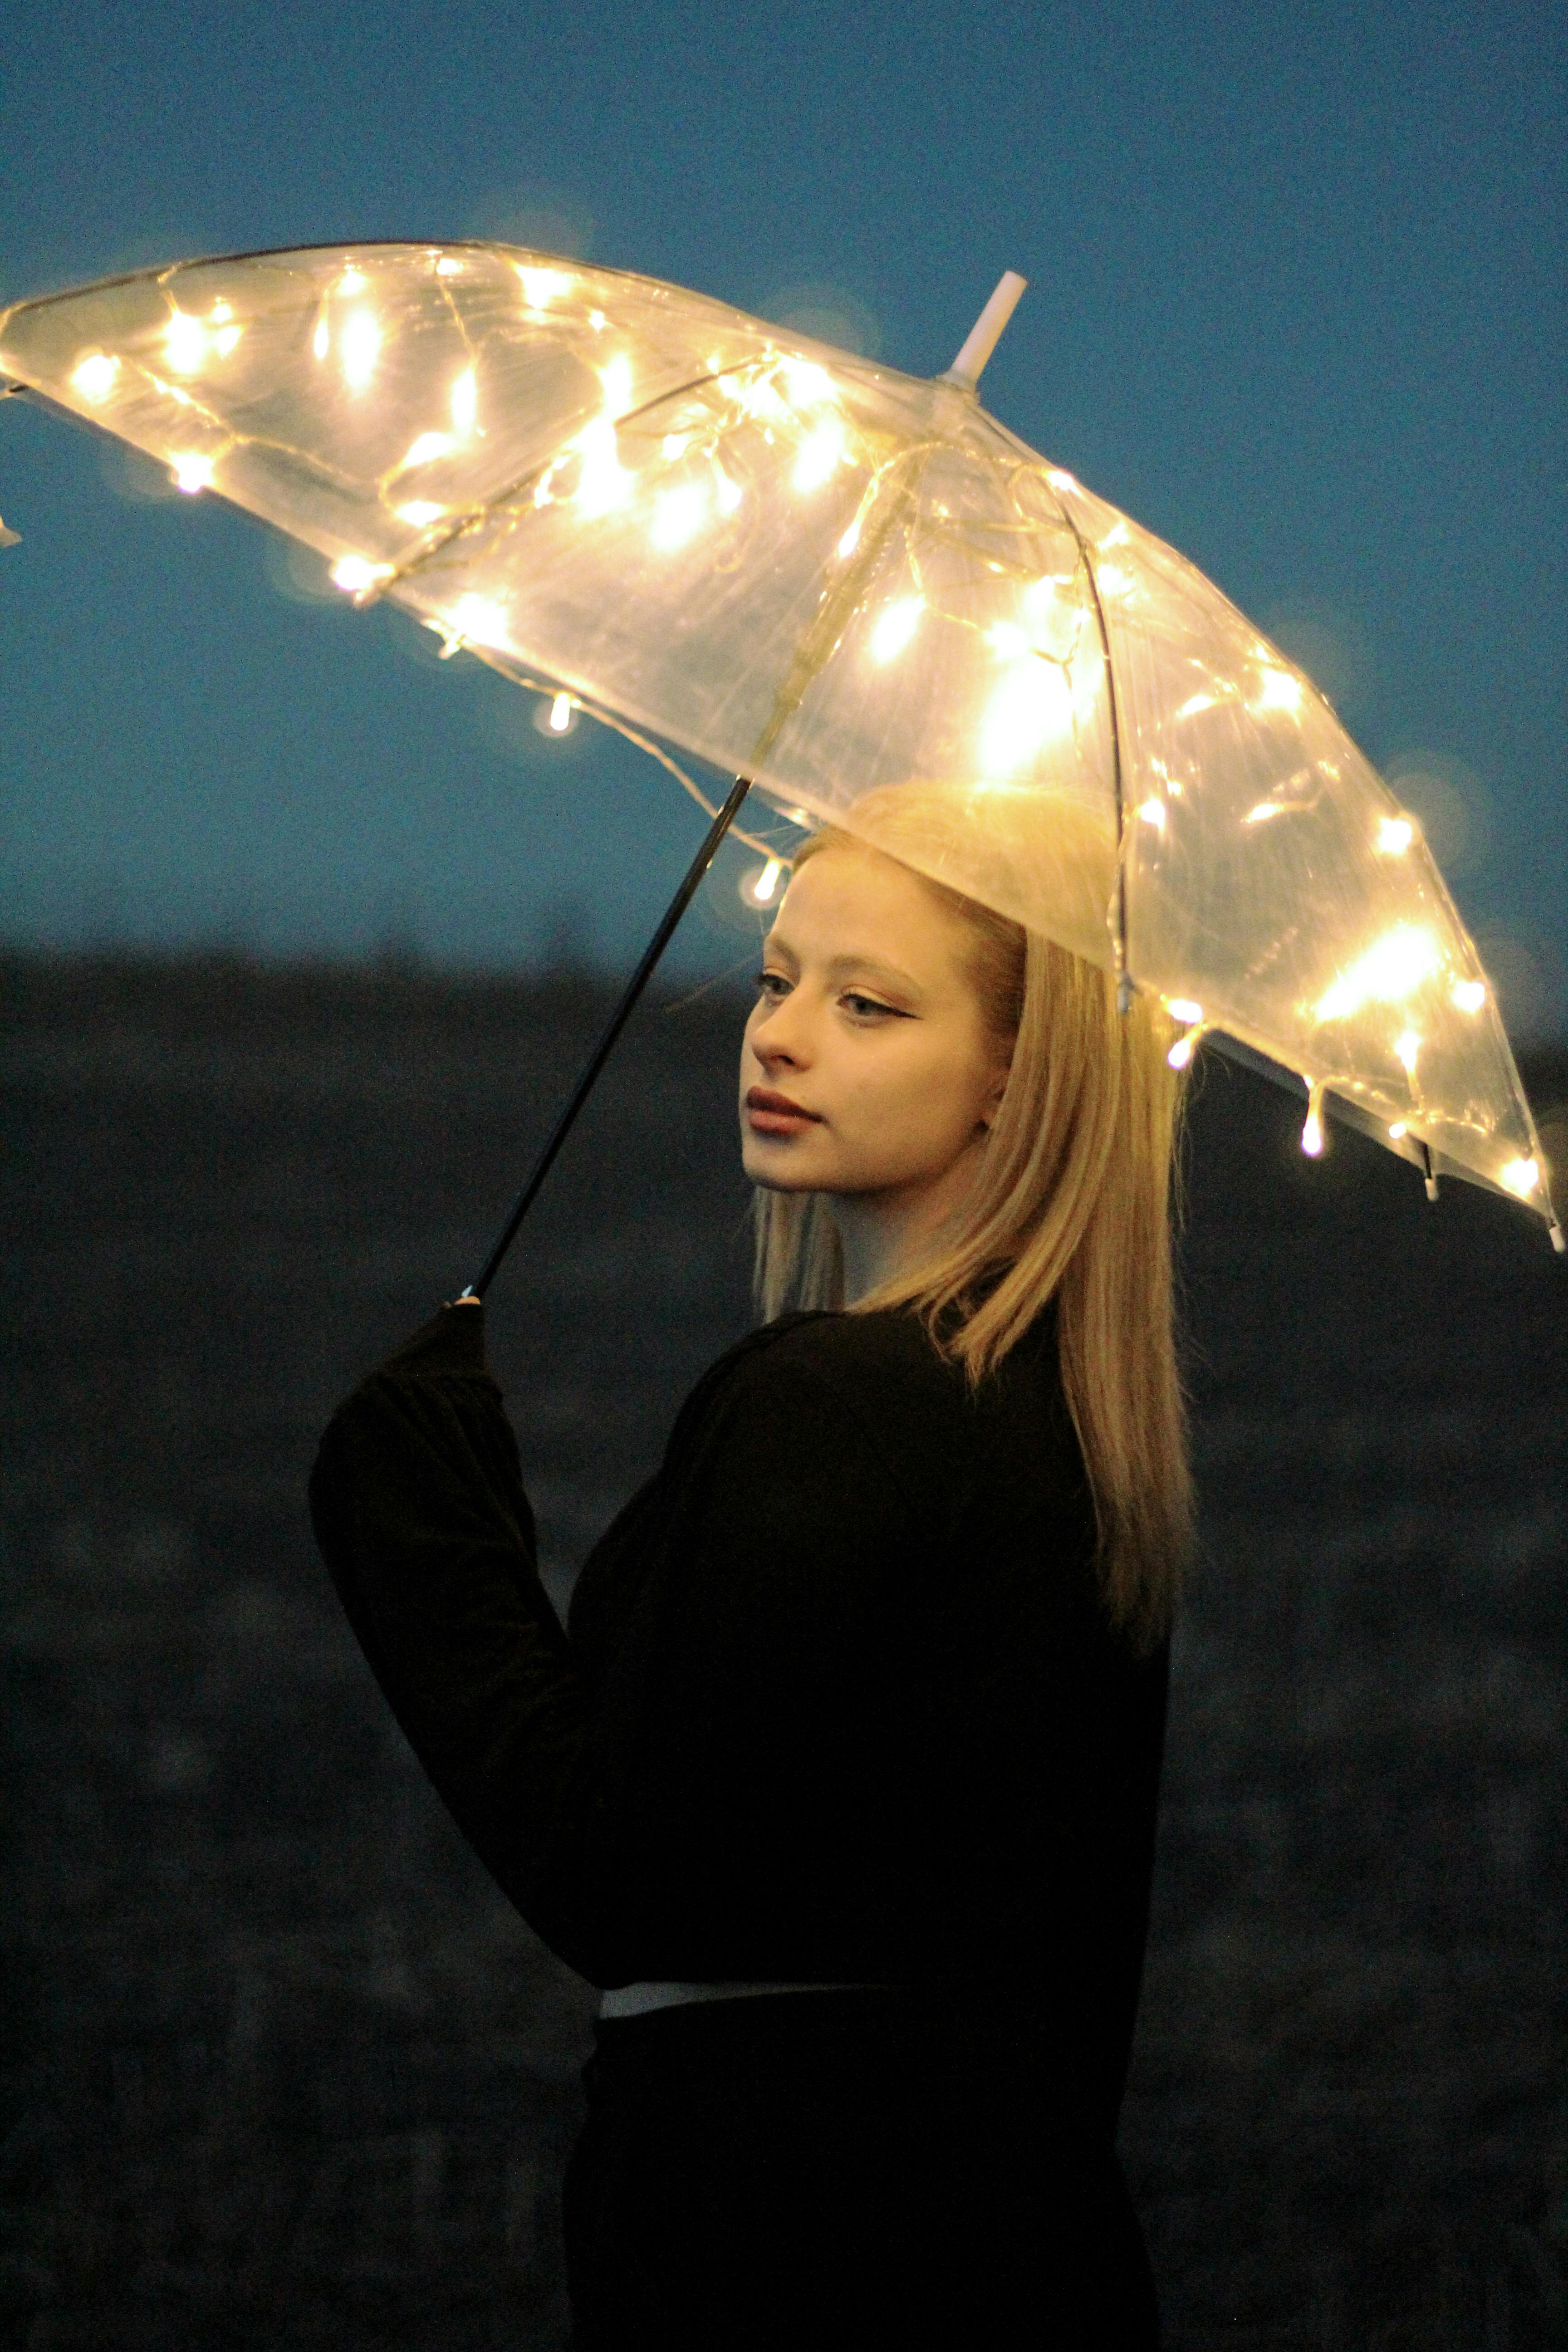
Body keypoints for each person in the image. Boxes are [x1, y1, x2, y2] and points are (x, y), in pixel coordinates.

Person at [309, 815, 1191, 2349]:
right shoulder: (1081, 1428)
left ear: (1016, 1073)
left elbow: (622, 1877)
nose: (779, 1039)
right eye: (778, 981)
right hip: (1016, 2248)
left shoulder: (838, 1403)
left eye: (870, 1004)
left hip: (786, 2248)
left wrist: (425, 1538)